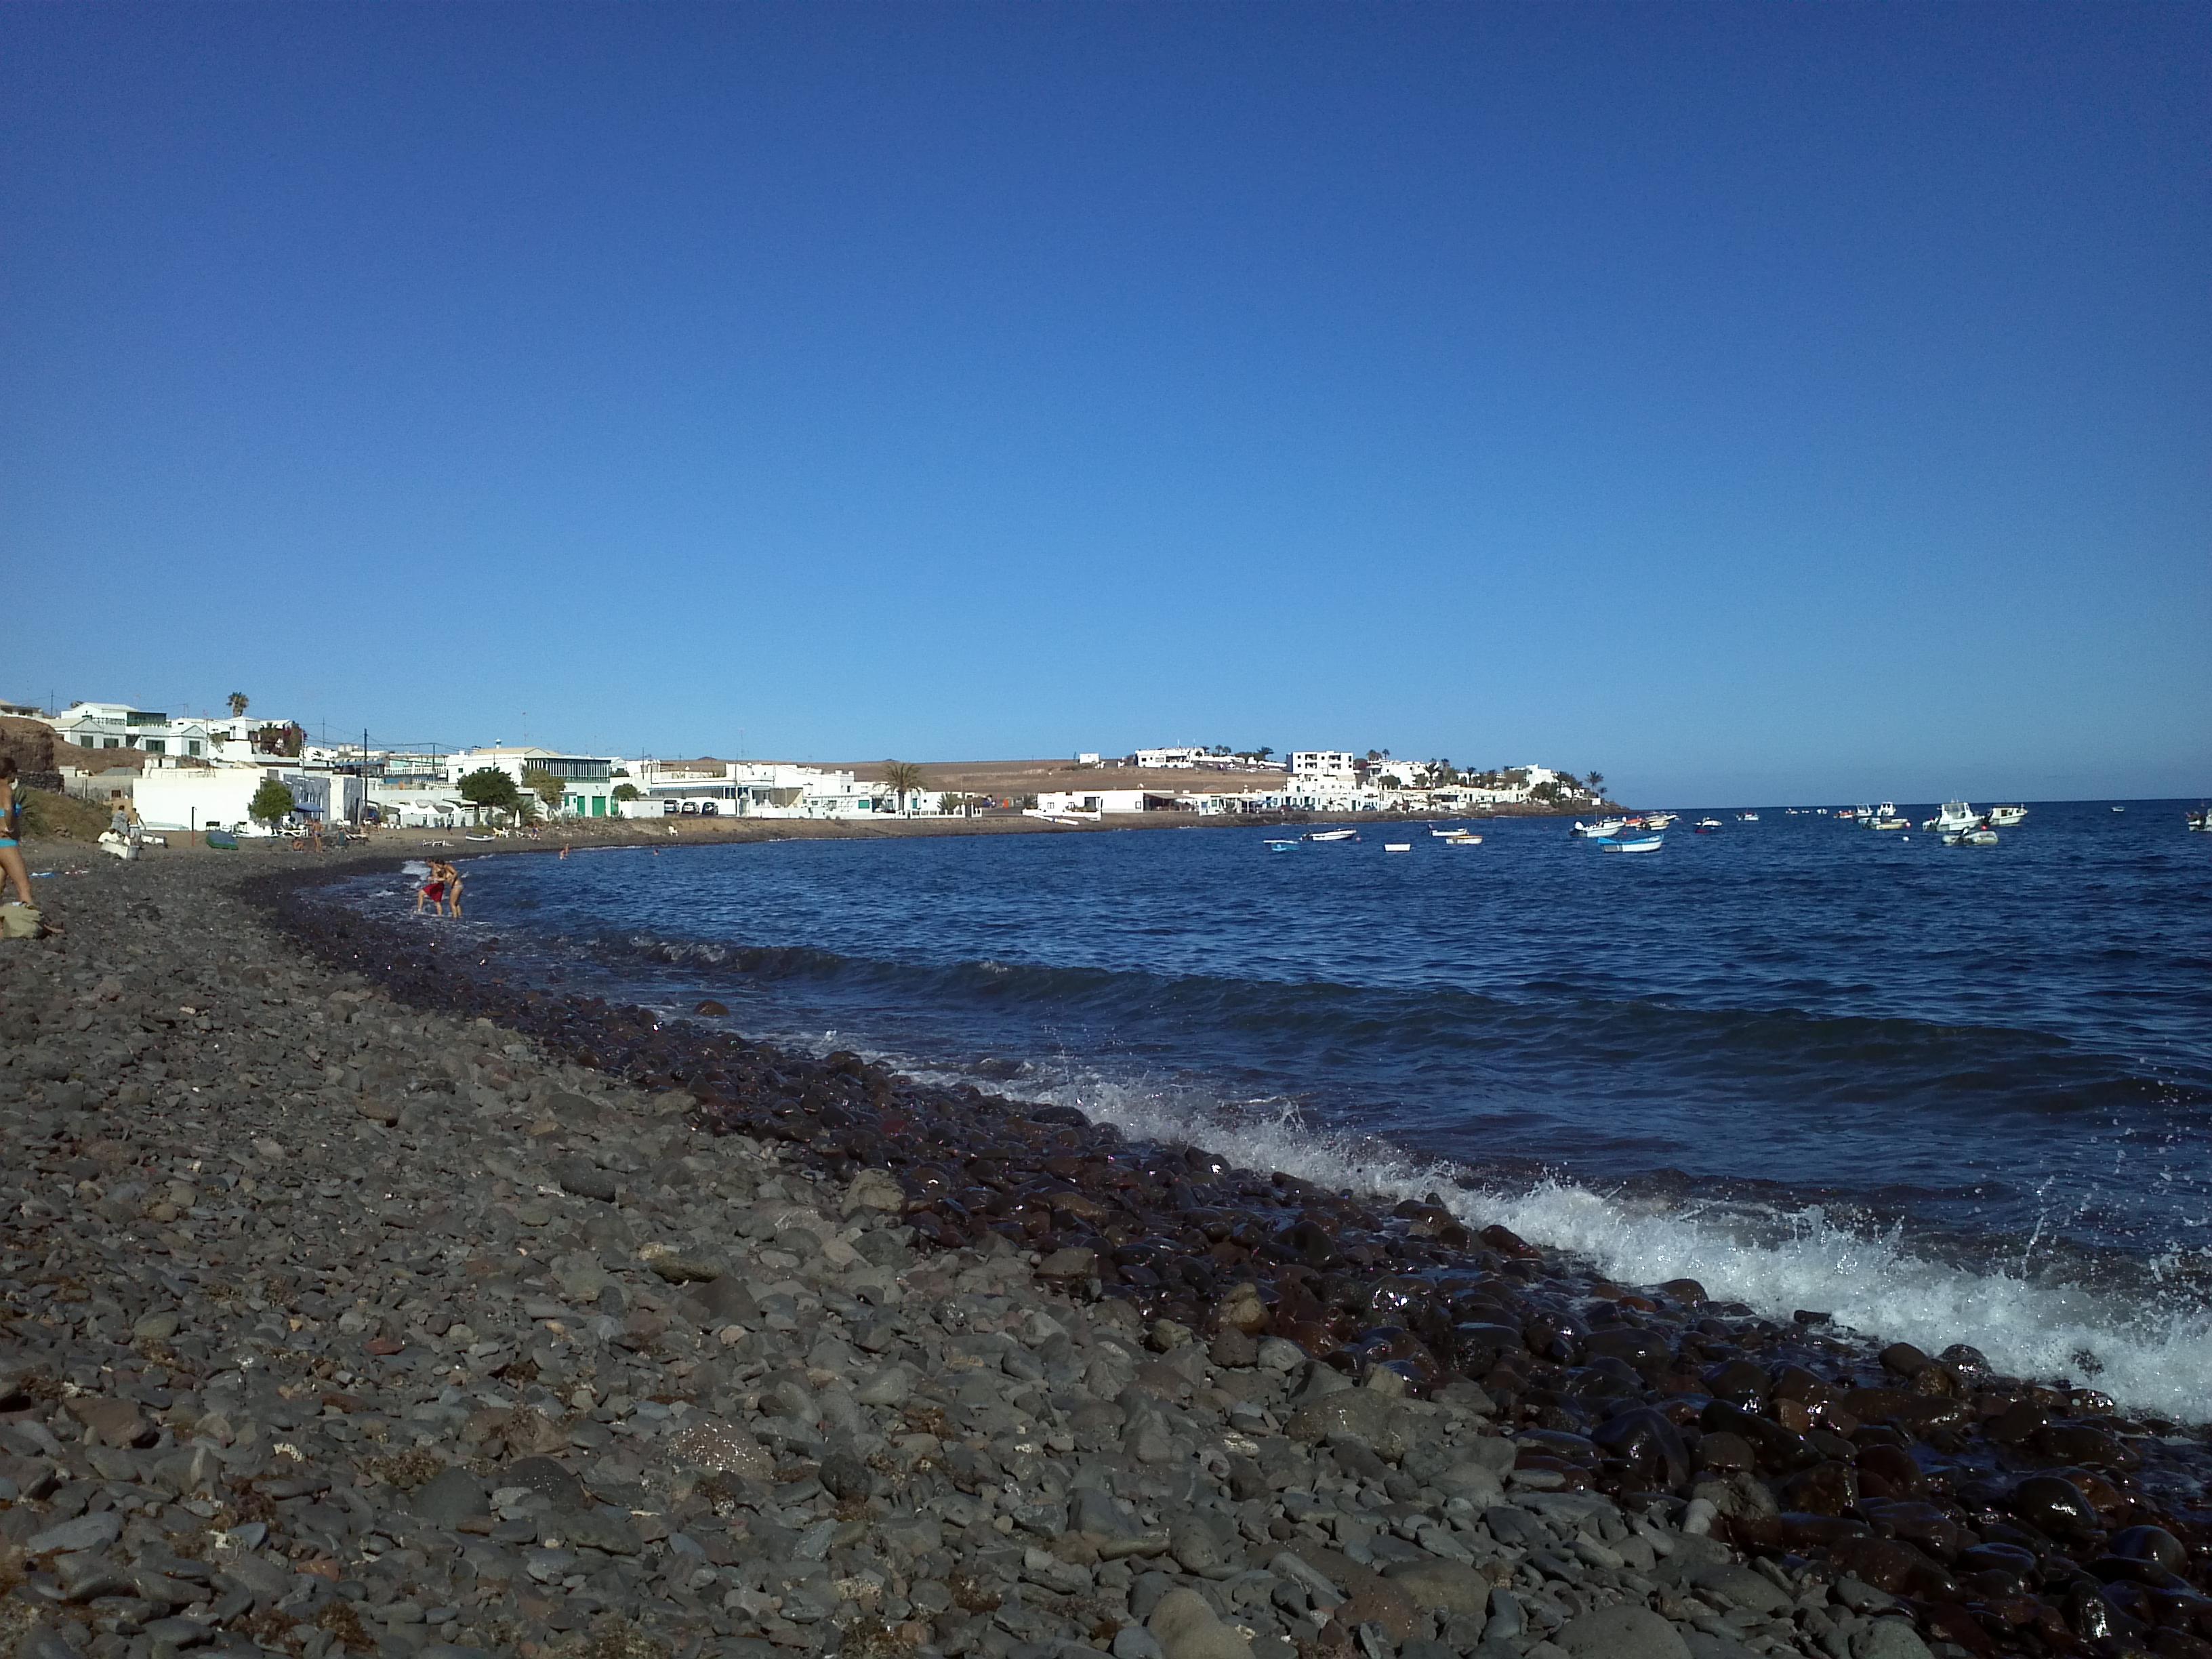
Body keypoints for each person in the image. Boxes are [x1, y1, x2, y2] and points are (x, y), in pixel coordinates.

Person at [0, 758, 35, 910]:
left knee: (0, 885)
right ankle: (31, 922)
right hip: (6, 843)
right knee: (23, 885)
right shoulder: (5, 788)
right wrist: (10, 827)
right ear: (10, 773)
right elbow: (8, 808)